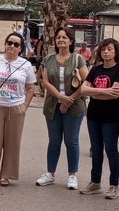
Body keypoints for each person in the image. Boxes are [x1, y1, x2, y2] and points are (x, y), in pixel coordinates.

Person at [0, 31, 37, 187]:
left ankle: (7, 175)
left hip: (15, 108)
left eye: (16, 44)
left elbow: (30, 88)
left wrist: (24, 106)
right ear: (5, 44)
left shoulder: (25, 65)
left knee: (12, 143)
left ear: (20, 48)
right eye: (9, 43)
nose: (12, 46)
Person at [36, 27, 90, 190]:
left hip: (74, 106)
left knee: (71, 141)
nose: (61, 40)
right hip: (53, 105)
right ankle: (50, 173)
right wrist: (60, 98)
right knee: (54, 141)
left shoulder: (78, 59)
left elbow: (86, 82)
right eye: (59, 37)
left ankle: (72, 175)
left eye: (64, 37)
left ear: (71, 41)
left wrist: (70, 100)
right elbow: (46, 82)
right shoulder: (49, 59)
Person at [81, 37, 119, 198]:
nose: (106, 52)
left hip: (111, 118)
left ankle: (114, 185)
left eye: (109, 49)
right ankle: (95, 182)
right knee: (96, 150)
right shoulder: (95, 69)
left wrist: (94, 92)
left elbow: (115, 95)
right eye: (103, 49)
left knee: (111, 150)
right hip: (93, 115)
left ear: (116, 52)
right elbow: (83, 90)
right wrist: (104, 92)